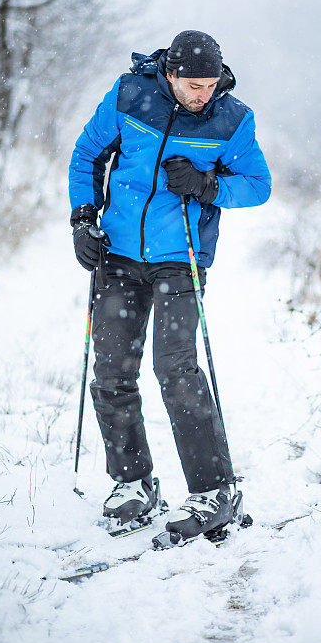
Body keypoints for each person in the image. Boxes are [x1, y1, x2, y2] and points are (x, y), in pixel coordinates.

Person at [68, 30, 271, 539]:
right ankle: (134, 484)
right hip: (117, 254)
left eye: (211, 85)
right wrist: (82, 218)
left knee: (176, 371)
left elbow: (259, 186)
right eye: (194, 85)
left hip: (180, 257)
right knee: (112, 372)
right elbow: (86, 155)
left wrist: (207, 185)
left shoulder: (232, 119)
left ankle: (214, 492)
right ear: (170, 74)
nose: (204, 95)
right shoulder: (129, 96)